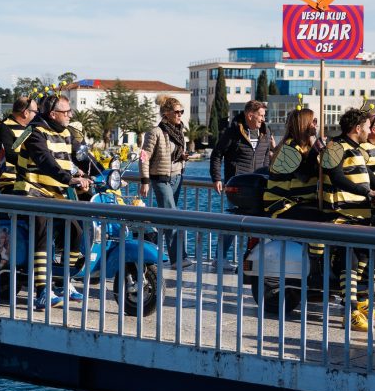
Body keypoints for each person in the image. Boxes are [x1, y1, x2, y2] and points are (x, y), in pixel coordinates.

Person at [14, 95, 91, 308]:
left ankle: (64, 281)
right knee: (42, 231)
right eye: (66, 112)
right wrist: (69, 179)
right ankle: (42, 291)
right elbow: (45, 161)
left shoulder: (65, 132)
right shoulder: (34, 132)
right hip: (32, 192)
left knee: (76, 230)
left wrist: (100, 174)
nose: (70, 115)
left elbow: (83, 157)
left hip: (55, 194)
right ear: (53, 114)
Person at [321, 107, 375, 331]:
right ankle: (349, 312)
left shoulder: (357, 149)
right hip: (342, 215)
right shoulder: (335, 147)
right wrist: (366, 192)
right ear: (357, 128)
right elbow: (336, 177)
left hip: (361, 215)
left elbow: (372, 179)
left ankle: (361, 299)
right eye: (368, 127)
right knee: (349, 259)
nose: (370, 131)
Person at [262, 108, 328, 283]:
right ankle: (315, 269)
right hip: (282, 205)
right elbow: (304, 174)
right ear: (303, 125)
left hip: (298, 202)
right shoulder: (289, 148)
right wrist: (316, 147)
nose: (316, 125)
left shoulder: (304, 148)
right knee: (320, 220)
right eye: (313, 121)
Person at [209, 100, 274, 267]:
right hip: (237, 187)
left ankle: (251, 260)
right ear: (250, 115)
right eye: (261, 115)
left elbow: (266, 158)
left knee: (258, 225)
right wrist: (216, 178)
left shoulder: (266, 132)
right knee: (234, 222)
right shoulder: (232, 132)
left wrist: (267, 178)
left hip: (258, 187)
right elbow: (217, 154)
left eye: (264, 115)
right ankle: (219, 258)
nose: (263, 119)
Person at [138, 96, 193, 268]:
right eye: (177, 112)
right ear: (166, 113)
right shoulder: (155, 132)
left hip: (177, 176)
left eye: (181, 111)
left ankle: (149, 238)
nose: (180, 115)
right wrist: (145, 181)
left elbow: (172, 154)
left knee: (167, 216)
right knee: (172, 216)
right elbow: (144, 157)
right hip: (160, 178)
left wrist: (182, 157)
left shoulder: (179, 131)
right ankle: (178, 258)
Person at [0, 96, 36, 193]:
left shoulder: (29, 129)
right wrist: (35, 163)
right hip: (4, 184)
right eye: (36, 112)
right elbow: (9, 154)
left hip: (25, 182)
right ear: (26, 113)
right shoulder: (3, 128)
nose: (37, 115)